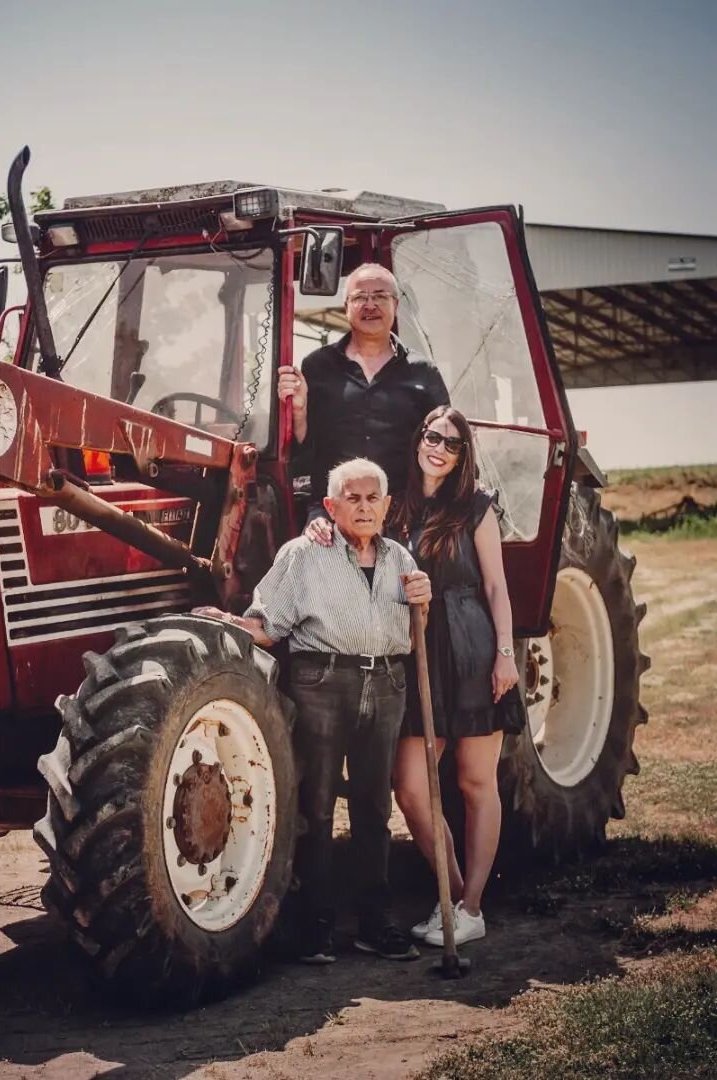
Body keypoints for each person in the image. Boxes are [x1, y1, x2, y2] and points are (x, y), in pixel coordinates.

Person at [195, 457, 431, 964]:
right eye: (353, 498)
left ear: (387, 506)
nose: (364, 507)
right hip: (323, 680)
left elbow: (415, 637)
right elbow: (268, 625)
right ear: (331, 505)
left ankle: (375, 923)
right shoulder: (303, 555)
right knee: (316, 808)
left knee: (373, 809)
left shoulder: (400, 561)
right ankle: (316, 926)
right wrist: (228, 624)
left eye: (373, 498)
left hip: (388, 681)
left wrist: (424, 604)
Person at [389, 406, 525, 947]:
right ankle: (456, 893)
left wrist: (506, 653)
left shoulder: (476, 506)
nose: (438, 447)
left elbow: (496, 587)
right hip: (418, 648)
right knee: (411, 787)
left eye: (451, 443)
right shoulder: (397, 505)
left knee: (474, 783)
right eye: (432, 436)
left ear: (463, 455)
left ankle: (470, 907)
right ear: (418, 439)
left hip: (471, 645)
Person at [279, 263, 450, 543]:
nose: (370, 305)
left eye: (380, 296)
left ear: (395, 305)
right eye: (360, 297)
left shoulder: (423, 372)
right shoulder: (318, 366)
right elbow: (304, 451)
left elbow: (447, 445)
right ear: (346, 307)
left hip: (403, 515)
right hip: (331, 513)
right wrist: (297, 410)